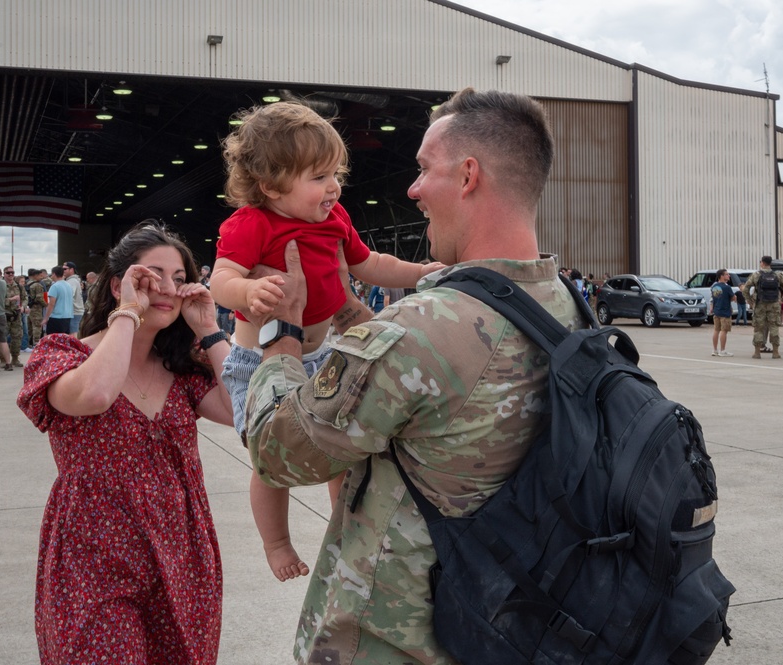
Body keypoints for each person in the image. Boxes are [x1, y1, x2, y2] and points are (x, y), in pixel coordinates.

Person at [244, 87, 587, 663]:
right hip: (510, 625)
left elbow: (278, 452)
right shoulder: (570, 311)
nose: (412, 188)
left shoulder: (421, 330)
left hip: (398, 643)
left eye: (425, 168)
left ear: (469, 175)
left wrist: (282, 334)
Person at [210, 100, 443, 581]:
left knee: (342, 450)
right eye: (318, 177)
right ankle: (276, 543)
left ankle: (343, 528)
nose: (333, 186)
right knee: (270, 462)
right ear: (272, 184)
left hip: (323, 356)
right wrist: (250, 290)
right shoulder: (251, 225)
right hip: (259, 361)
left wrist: (420, 273)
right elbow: (221, 280)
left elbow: (370, 264)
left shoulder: (334, 221)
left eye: (335, 173)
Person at [16, 222, 233, 664]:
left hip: (182, 551)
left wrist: (209, 330)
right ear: (119, 284)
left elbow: (242, 413)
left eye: (178, 277)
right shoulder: (61, 355)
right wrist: (129, 314)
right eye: (151, 276)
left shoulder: (181, 368)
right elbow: (95, 396)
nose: (167, 288)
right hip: (94, 555)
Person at [742, 255, 783, 358]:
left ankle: (757, 352)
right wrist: (782, 300)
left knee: (759, 328)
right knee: (774, 327)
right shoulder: (778, 275)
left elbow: (745, 289)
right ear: (770, 263)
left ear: (762, 263)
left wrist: (750, 301)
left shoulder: (756, 275)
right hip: (774, 304)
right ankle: (775, 352)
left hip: (760, 304)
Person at [3, 266, 27, 367]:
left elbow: (25, 298)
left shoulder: (19, 286)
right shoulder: (1, 285)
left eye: (12, 272)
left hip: (16, 315)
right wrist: (11, 300)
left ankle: (15, 358)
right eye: (8, 273)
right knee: (2, 338)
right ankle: (3, 359)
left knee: (17, 337)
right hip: (4, 315)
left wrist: (23, 306)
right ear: (4, 274)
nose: (11, 274)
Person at [710, 268, 735, 357]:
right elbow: (733, 298)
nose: (729, 276)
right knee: (724, 331)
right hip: (725, 311)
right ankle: (722, 350)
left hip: (717, 311)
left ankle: (714, 350)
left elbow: (713, 299)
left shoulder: (714, 286)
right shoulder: (727, 287)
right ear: (722, 276)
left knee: (716, 330)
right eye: (727, 274)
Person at [41, 266, 73, 335]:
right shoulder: (69, 285)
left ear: (54, 274)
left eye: (52, 274)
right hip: (67, 317)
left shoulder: (55, 286)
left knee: (53, 340)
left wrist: (46, 318)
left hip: (56, 318)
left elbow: (51, 304)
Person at [62, 261, 85, 335]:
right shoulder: (71, 280)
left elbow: (69, 295)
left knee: (73, 334)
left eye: (65, 269)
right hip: (74, 312)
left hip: (74, 312)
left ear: (71, 270)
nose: (63, 270)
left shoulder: (72, 281)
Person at [26, 269, 47, 347]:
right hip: (37, 308)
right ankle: (36, 343)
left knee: (30, 327)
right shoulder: (37, 285)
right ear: (35, 276)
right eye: (40, 275)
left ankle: (28, 343)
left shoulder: (28, 284)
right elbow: (39, 298)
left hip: (29, 308)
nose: (41, 277)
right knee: (37, 326)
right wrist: (46, 305)